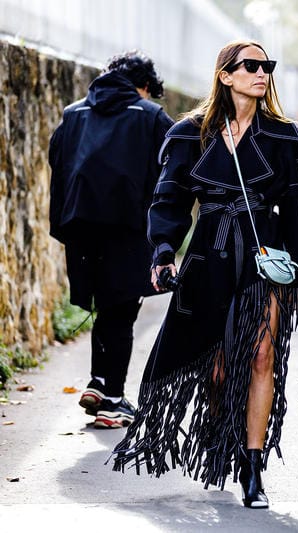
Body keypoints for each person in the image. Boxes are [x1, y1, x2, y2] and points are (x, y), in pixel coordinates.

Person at [111, 40, 298, 509]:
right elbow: (168, 201)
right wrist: (163, 250)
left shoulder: (284, 136)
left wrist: (295, 274)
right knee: (217, 368)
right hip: (208, 256)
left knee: (262, 356)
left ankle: (253, 464)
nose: (262, 73)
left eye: (267, 66)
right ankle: (229, 433)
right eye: (251, 66)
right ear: (225, 75)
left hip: (265, 257)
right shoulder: (188, 134)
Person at [48, 51, 174, 429]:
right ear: (145, 86)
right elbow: (176, 163)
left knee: (106, 306)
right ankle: (113, 401)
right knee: (122, 310)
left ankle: (100, 382)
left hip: (81, 227)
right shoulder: (149, 115)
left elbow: (58, 161)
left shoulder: (73, 114)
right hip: (129, 228)